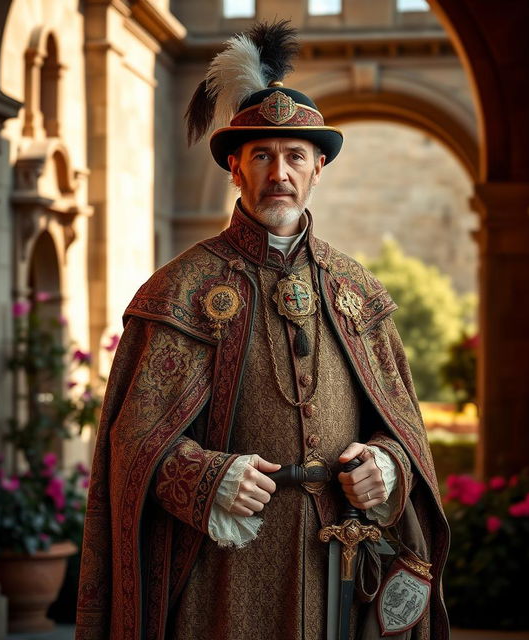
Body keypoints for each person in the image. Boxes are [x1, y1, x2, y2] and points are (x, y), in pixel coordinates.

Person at [76, 21, 449, 640]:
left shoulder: (359, 291)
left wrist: (388, 466)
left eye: (295, 156)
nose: (279, 172)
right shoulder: (181, 289)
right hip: (221, 574)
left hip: (342, 565)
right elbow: (134, 442)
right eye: (262, 156)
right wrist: (205, 476)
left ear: (318, 168)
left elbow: (403, 429)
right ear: (236, 170)